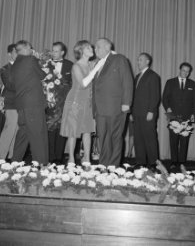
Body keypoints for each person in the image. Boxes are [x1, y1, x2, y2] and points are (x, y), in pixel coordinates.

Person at [60, 40, 105, 164]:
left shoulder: (92, 64)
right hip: (75, 101)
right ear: (81, 51)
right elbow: (84, 83)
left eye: (91, 47)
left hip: (88, 102)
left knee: (87, 131)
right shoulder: (76, 66)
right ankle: (71, 159)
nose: (91, 49)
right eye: (88, 48)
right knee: (73, 131)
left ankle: (87, 159)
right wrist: (95, 69)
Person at [93, 38, 133, 167]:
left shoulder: (119, 59)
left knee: (114, 137)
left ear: (107, 47)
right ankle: (103, 164)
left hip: (115, 106)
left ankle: (113, 166)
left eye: (97, 47)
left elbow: (127, 81)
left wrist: (126, 102)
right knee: (103, 138)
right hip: (100, 109)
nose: (95, 49)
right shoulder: (98, 63)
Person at [10, 40, 49, 165]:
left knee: (23, 134)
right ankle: (41, 164)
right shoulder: (31, 59)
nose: (32, 50)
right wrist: (40, 61)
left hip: (21, 104)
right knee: (38, 133)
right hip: (33, 104)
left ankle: (15, 162)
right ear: (26, 48)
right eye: (31, 48)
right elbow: (42, 75)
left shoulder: (15, 64)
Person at [162, 62, 195, 169]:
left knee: (184, 140)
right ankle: (173, 161)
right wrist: (168, 110)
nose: (185, 73)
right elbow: (165, 98)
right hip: (173, 115)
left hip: (187, 116)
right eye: (183, 70)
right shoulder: (170, 82)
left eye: (187, 71)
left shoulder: (193, 84)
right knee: (173, 139)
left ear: (189, 72)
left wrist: (194, 114)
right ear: (179, 70)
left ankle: (182, 161)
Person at [132, 53, 161, 169]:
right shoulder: (137, 76)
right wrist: (132, 112)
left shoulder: (153, 76)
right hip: (137, 112)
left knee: (150, 138)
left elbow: (155, 96)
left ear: (147, 61)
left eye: (140, 60)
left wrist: (151, 111)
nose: (138, 62)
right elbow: (134, 96)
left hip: (148, 112)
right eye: (138, 60)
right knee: (138, 138)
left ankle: (153, 163)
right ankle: (141, 161)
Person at [46, 42, 73, 164]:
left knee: (62, 130)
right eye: (52, 50)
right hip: (49, 102)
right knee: (50, 130)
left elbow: (73, 84)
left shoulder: (70, 65)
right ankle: (50, 156)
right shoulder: (46, 64)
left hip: (64, 103)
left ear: (62, 52)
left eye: (56, 51)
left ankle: (59, 156)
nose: (53, 53)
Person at [0, 44, 18, 160]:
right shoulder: (4, 68)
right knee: (10, 128)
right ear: (9, 54)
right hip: (11, 102)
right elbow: (10, 85)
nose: (18, 53)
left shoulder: (24, 67)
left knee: (17, 129)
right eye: (15, 51)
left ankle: (13, 156)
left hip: (23, 102)